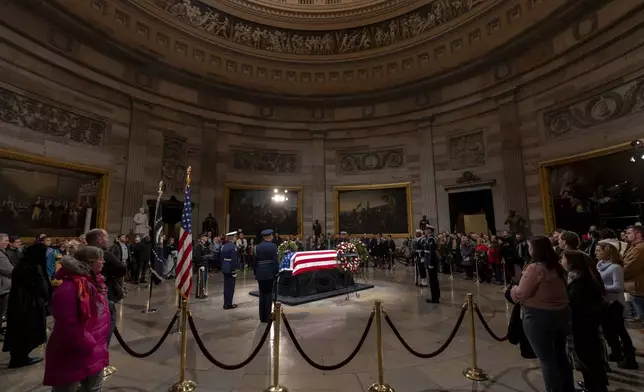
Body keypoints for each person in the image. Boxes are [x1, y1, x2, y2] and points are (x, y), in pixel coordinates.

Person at [510, 236, 573, 392]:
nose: (529, 250)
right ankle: (567, 387)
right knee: (560, 355)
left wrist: (511, 290)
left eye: (530, 247)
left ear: (535, 250)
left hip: (539, 316)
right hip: (561, 313)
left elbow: (521, 294)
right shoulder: (556, 266)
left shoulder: (536, 268)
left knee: (546, 359)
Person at [43, 247, 110, 391]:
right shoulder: (70, 287)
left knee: (93, 387)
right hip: (76, 349)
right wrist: (89, 344)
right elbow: (67, 324)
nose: (103, 261)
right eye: (100, 259)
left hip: (95, 345)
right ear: (90, 262)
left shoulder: (95, 281)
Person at [561, 250, 608, 392]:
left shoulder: (578, 282)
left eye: (563, 259)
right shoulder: (584, 276)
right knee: (590, 359)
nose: (561, 261)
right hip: (588, 325)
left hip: (583, 327)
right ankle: (591, 385)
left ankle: (595, 388)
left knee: (588, 359)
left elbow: (575, 306)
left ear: (571, 262)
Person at [2, 242, 52, 368]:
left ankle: (17, 357)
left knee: (18, 331)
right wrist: (48, 296)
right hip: (30, 304)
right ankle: (21, 359)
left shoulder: (21, 265)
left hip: (17, 303)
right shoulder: (34, 267)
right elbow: (42, 286)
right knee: (28, 331)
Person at [595, 242, 638, 370]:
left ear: (607, 253)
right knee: (608, 331)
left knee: (621, 331)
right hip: (605, 303)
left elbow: (618, 287)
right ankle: (616, 353)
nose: (596, 253)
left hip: (615, 304)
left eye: (599, 251)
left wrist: (600, 288)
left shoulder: (615, 267)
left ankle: (630, 359)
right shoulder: (600, 265)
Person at [85, 229, 126, 347]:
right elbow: (122, 269)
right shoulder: (104, 254)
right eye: (106, 237)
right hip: (103, 296)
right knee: (105, 328)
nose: (108, 240)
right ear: (99, 239)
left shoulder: (81, 253)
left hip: (85, 297)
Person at [254, 229, 278, 323]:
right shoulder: (273, 246)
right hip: (269, 273)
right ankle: (268, 317)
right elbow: (275, 261)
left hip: (260, 273)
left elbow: (254, 262)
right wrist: (276, 272)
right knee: (268, 295)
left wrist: (256, 272)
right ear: (269, 236)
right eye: (271, 235)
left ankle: (262, 317)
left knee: (262, 294)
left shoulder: (257, 247)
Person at [623, 225, 644, 324]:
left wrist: (618, 273)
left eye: (629, 233)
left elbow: (628, 269)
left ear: (638, 234)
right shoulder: (634, 247)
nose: (626, 235)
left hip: (639, 288)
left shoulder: (639, 249)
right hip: (636, 287)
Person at [221, 231, 240, 310]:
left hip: (225, 267)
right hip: (230, 268)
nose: (236, 238)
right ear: (233, 238)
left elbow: (221, 258)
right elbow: (234, 260)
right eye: (235, 237)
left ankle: (225, 303)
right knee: (231, 286)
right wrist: (234, 269)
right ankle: (229, 304)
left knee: (226, 286)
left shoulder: (223, 246)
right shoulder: (233, 247)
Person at [0, 233, 13, 334]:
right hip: (2, 287)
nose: (7, 243)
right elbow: (9, 270)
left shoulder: (3, 252)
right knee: (2, 311)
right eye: (5, 241)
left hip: (4, 285)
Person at [424, 226, 440, 303]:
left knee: (433, 281)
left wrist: (430, 263)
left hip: (432, 263)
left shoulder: (431, 239)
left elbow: (432, 252)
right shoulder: (430, 238)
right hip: (430, 262)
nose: (425, 231)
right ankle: (436, 296)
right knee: (433, 280)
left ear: (429, 231)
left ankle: (435, 298)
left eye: (426, 229)